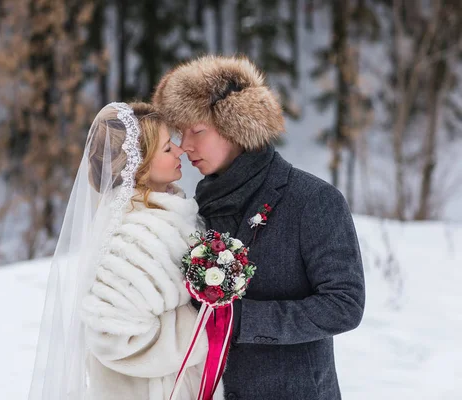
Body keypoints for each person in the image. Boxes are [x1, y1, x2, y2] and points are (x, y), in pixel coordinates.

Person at [153, 55, 366, 400]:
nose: (185, 145)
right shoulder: (199, 206)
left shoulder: (313, 200)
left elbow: (344, 304)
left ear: (235, 125)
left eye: (197, 130)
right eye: (180, 133)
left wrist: (240, 321)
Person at [28, 102, 223, 400]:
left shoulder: (166, 216)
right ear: (140, 165)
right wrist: (205, 330)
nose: (180, 151)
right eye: (167, 148)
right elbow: (113, 338)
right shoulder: (137, 237)